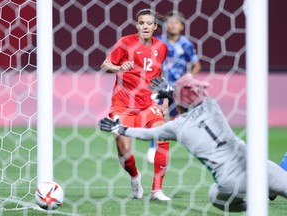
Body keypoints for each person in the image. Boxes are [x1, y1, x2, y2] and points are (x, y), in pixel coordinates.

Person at [99, 74, 287, 212]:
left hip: (230, 182)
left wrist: (120, 129)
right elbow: (195, 98)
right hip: (259, 166)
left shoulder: (177, 127)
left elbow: (147, 134)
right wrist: (172, 92)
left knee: (216, 197)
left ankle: (256, 206)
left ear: (177, 103)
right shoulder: (211, 106)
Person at [100, 9, 170, 201]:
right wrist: (118, 67)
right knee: (123, 150)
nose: (145, 26)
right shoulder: (125, 43)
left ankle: (157, 190)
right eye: (141, 23)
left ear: (155, 27)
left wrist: (164, 99)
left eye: (149, 23)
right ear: (136, 25)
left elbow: (159, 74)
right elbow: (105, 65)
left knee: (163, 134)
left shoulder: (161, 47)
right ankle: (134, 176)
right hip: (123, 104)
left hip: (147, 104)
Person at [147, 11, 201, 163]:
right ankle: (153, 148)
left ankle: (194, 146)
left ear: (182, 26)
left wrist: (189, 78)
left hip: (178, 89)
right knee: (157, 117)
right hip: (159, 86)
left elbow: (196, 64)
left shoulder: (186, 44)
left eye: (176, 22)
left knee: (176, 119)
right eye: (170, 22)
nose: (173, 25)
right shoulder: (157, 41)